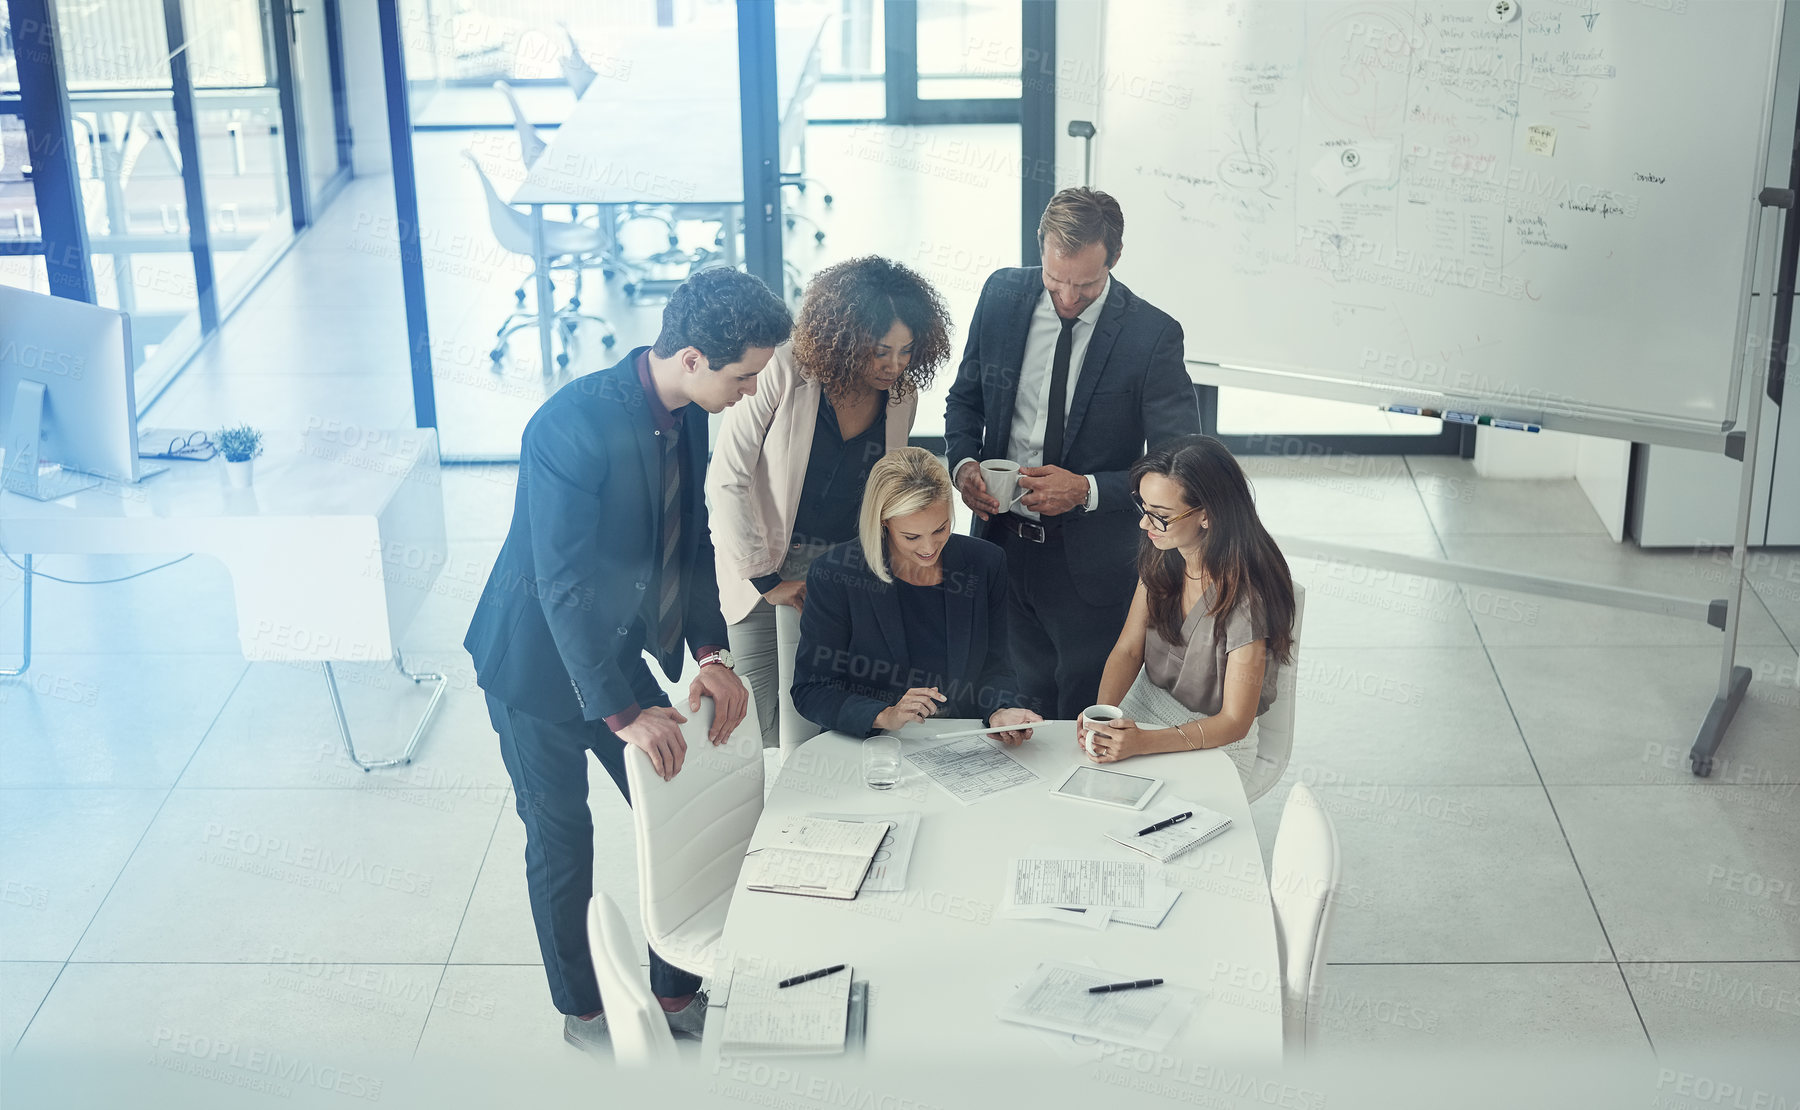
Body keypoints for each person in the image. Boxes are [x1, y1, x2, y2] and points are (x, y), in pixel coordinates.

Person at [462, 268, 793, 1055]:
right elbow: (562, 583)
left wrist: (708, 654)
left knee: (678, 808)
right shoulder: (569, 427)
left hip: (607, 647)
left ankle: (676, 990)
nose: (751, 393)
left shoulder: (688, 410)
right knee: (561, 838)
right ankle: (583, 1012)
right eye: (744, 375)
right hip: (536, 668)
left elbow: (690, 541)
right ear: (690, 357)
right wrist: (622, 713)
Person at [944, 186, 1200, 720]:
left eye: (1084, 285)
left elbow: (1179, 462)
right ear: (1041, 250)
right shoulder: (1000, 296)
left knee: (1080, 711)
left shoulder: (1152, 336)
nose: (1066, 297)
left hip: (1091, 563)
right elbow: (964, 399)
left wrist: (1086, 489)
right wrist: (964, 465)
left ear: (1115, 258)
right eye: (1055, 279)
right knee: (1010, 707)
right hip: (1000, 545)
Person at [707, 256, 953, 753]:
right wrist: (767, 580)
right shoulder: (781, 369)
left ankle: (829, 826)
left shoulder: (900, 393)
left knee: (825, 712)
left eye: (906, 352)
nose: (894, 365)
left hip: (841, 568)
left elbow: (887, 488)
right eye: (881, 351)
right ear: (843, 337)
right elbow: (726, 480)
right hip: (761, 560)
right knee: (755, 720)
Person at [1082, 435, 1297, 788]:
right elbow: (1128, 649)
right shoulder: (1164, 551)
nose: (1144, 525)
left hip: (1214, 738)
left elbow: (1233, 722)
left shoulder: (1247, 598)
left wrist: (1143, 743)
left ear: (1207, 517)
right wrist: (1104, 719)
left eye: (1160, 516)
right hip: (1144, 707)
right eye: (1144, 509)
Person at [791, 447, 1043, 741]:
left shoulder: (986, 563)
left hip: (960, 742)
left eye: (940, 529)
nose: (928, 548)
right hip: (874, 744)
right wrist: (886, 714)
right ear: (883, 522)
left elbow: (997, 666)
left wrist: (1002, 709)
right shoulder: (836, 574)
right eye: (911, 537)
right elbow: (812, 689)